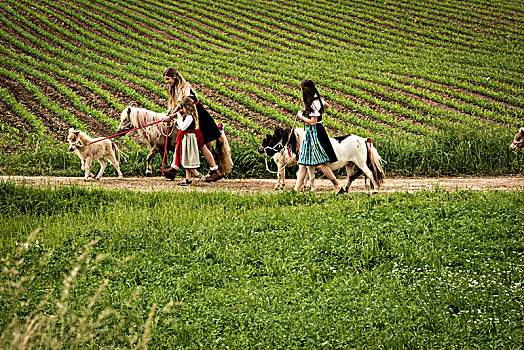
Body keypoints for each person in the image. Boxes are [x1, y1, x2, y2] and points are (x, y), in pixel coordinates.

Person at [161, 68, 223, 182]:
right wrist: (171, 115)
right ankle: (175, 168)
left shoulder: (185, 88)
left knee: (200, 144)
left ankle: (213, 170)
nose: (167, 82)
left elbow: (185, 107)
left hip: (197, 117)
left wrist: (172, 117)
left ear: (174, 76)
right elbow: (180, 106)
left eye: (168, 79)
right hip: (195, 115)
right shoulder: (179, 88)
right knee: (186, 141)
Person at [294, 79, 341, 193]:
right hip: (313, 133)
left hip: (314, 133)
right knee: (302, 163)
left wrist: (301, 117)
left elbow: (313, 122)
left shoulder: (313, 103)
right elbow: (326, 106)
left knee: (319, 163)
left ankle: (337, 185)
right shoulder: (318, 100)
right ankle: (296, 190)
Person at [171, 96, 204, 186]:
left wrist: (179, 119)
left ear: (187, 107)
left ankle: (198, 174)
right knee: (185, 158)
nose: (182, 110)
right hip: (186, 138)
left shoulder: (189, 117)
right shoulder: (187, 117)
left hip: (189, 139)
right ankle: (187, 179)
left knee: (188, 159)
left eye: (182, 107)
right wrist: (177, 123)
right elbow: (181, 128)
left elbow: (183, 127)